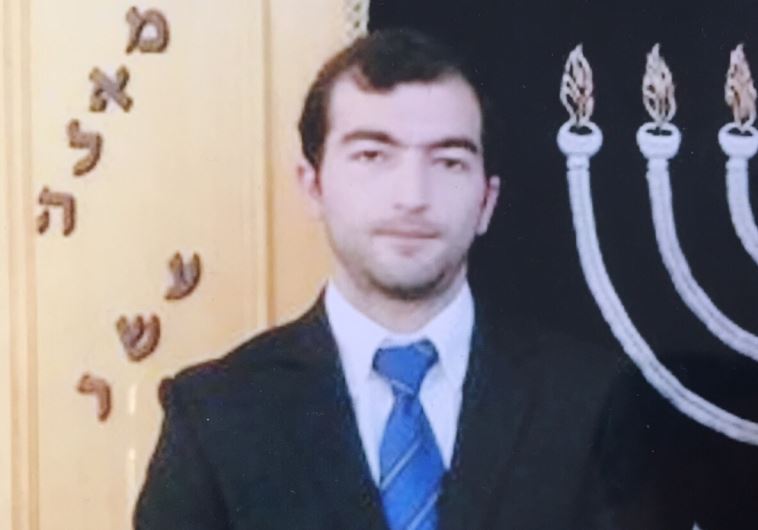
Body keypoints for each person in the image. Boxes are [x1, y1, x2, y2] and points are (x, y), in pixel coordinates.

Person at [134, 28, 752, 530]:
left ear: (487, 200)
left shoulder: (593, 401)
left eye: (449, 161)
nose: (413, 195)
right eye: (373, 155)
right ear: (312, 185)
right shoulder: (217, 414)